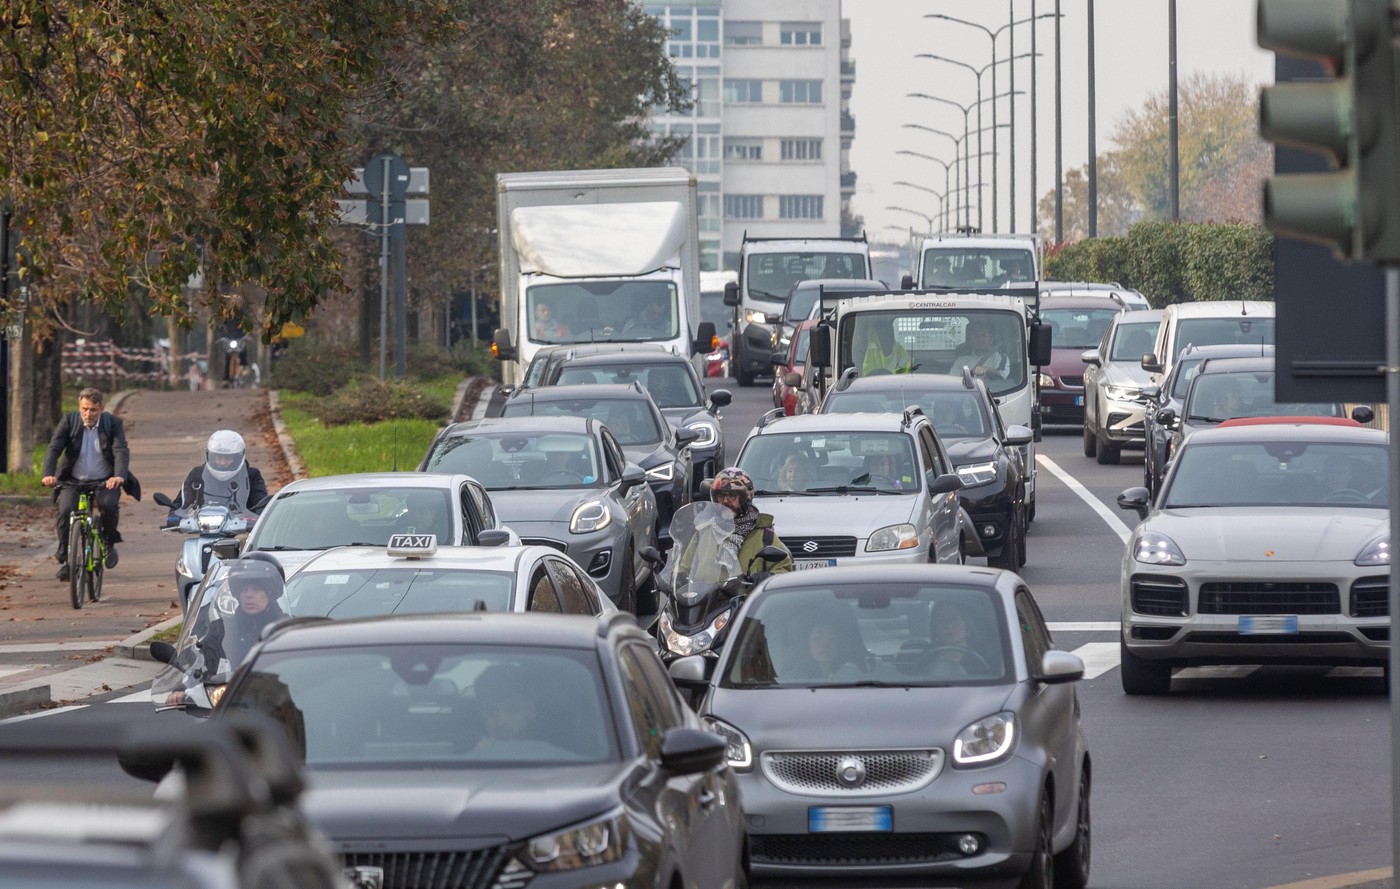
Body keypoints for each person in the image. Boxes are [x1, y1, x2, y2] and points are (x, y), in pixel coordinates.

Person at [42, 387, 139, 581]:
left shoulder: (112, 424)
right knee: (65, 510)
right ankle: (66, 557)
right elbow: (54, 448)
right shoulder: (69, 421)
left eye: (93, 410)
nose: (88, 414)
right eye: (84, 409)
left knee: (108, 506)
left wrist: (118, 476)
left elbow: (120, 449)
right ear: (79, 408)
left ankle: (108, 543)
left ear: (101, 409)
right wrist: (48, 474)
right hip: (73, 480)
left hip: (105, 481)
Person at [672, 468, 793, 586]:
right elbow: (682, 568)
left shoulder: (765, 535)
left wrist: (769, 577)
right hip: (706, 604)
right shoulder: (702, 533)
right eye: (720, 496)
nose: (725, 501)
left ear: (746, 498)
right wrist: (679, 578)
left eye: (732, 496)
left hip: (745, 604)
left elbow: (784, 571)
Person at [201, 556, 288, 676]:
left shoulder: (287, 629)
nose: (248, 595)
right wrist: (184, 687)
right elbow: (200, 665)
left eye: (256, 589)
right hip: (230, 692)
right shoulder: (221, 629)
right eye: (243, 589)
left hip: (275, 691)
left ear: (271, 592)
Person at [167, 430, 269, 523]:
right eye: (218, 457)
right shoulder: (198, 474)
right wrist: (174, 517)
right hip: (205, 528)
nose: (223, 462)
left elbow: (262, 503)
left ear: (238, 457)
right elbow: (181, 503)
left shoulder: (252, 475)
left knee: (242, 539)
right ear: (210, 455)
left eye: (228, 458)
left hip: (242, 531)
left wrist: (256, 518)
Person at [784, 605, 868, 680]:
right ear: (807, 642)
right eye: (818, 638)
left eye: (831, 639)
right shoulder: (793, 679)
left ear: (839, 643)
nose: (825, 645)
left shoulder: (855, 675)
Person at [472, 664, 540, 751]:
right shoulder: (465, 756)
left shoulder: (552, 757)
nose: (501, 721)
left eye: (511, 710)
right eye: (491, 711)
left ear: (530, 709)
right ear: (481, 712)